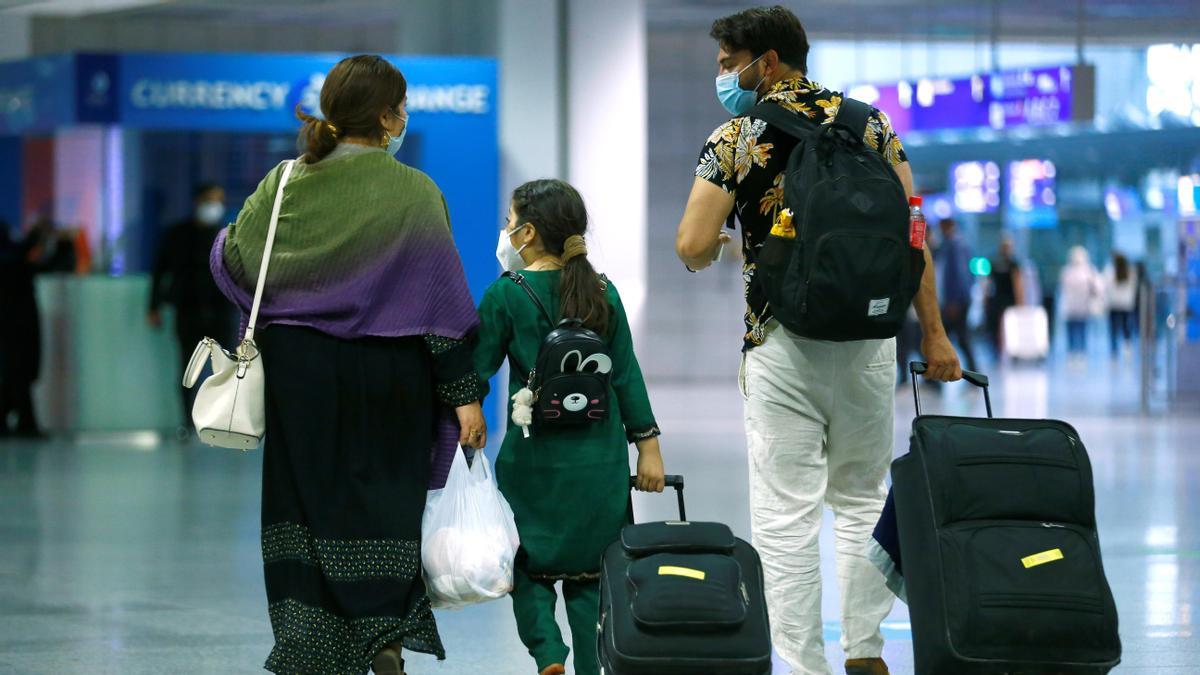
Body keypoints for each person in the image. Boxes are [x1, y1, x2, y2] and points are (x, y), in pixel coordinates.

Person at [673, 7, 961, 675]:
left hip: (782, 342)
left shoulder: (738, 137)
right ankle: (865, 650)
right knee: (862, 497)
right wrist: (937, 335)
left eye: (728, 64)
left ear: (766, 62)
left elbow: (690, 243)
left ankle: (805, 665)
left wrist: (712, 248)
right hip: (868, 341)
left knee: (785, 515)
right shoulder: (872, 125)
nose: (723, 77)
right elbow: (913, 236)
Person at [210, 55, 487, 675]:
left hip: (300, 379)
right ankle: (381, 637)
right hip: (391, 380)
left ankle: (309, 648)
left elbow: (233, 260)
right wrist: (464, 395)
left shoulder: (284, 183)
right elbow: (440, 313)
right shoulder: (415, 193)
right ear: (388, 117)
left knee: (305, 507)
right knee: (384, 506)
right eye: (402, 107)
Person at [473, 179, 666, 675]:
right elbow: (625, 375)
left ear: (529, 233)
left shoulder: (506, 295)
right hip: (598, 465)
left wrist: (460, 414)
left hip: (533, 462)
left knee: (528, 565)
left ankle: (548, 654)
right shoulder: (604, 293)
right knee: (591, 577)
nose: (505, 231)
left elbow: (475, 371)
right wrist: (648, 449)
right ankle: (585, 666)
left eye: (510, 223)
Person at [148, 182, 236, 434]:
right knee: (188, 369)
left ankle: (225, 420)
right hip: (187, 311)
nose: (215, 206)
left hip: (221, 310)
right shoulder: (177, 235)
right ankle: (187, 422)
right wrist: (153, 306)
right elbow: (159, 271)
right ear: (197, 201)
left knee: (227, 369)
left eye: (219, 200)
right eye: (210, 200)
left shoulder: (228, 235)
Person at [0, 222, 44, 437]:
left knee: (15, 372)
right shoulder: (13, 260)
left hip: (16, 322)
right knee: (16, 371)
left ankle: (20, 419)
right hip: (14, 322)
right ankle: (23, 420)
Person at [934, 218, 978, 372]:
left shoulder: (955, 246)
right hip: (960, 299)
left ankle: (937, 375)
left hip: (956, 302)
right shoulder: (954, 245)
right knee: (959, 338)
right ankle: (971, 371)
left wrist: (953, 301)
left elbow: (960, 275)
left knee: (953, 337)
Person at [1059, 246, 1104, 361]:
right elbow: (1099, 288)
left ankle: (1074, 351)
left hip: (1074, 306)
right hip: (1079, 306)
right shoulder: (1088, 271)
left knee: (1074, 329)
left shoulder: (1068, 271)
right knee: (1080, 329)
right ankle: (1080, 352)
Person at [986, 238, 1024, 354]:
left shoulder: (1013, 264)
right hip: (1000, 299)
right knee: (997, 326)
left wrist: (1020, 300)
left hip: (1006, 299)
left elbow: (1017, 283)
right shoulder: (996, 263)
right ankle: (999, 349)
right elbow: (988, 283)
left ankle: (1005, 349)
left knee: (1007, 326)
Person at [1105, 252, 1138, 358]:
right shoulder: (1130, 272)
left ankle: (1114, 351)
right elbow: (1134, 288)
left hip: (1114, 304)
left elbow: (1106, 287)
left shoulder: (1110, 272)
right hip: (1126, 304)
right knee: (1126, 327)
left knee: (1113, 328)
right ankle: (1127, 349)